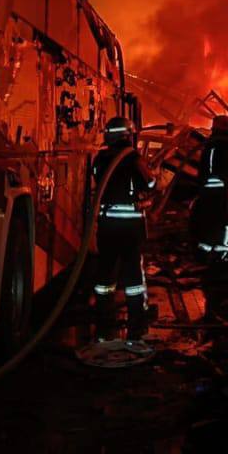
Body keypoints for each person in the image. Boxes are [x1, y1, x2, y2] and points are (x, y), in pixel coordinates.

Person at [90, 116, 153, 345]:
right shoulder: (133, 158)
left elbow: (98, 180)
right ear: (128, 135)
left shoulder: (99, 159)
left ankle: (103, 318)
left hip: (107, 225)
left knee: (106, 272)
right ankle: (137, 322)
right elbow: (150, 183)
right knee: (133, 275)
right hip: (129, 227)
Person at [189, 115, 228, 260]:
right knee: (222, 221)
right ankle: (219, 252)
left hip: (209, 189)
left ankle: (205, 252)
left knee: (209, 221)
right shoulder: (223, 146)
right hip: (220, 190)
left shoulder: (211, 145)